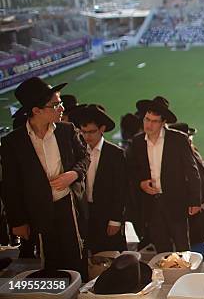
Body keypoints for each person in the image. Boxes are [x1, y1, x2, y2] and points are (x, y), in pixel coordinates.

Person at [0, 77, 88, 278]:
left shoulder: (67, 130)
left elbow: (84, 157)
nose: (62, 108)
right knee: (50, 261)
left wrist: (73, 174)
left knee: (77, 257)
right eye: (56, 104)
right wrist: (17, 221)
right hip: (38, 210)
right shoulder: (13, 142)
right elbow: (10, 185)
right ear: (36, 110)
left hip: (68, 205)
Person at [126, 96, 201, 252]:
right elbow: (131, 170)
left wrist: (195, 200)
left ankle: (183, 276)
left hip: (176, 203)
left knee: (182, 248)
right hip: (151, 205)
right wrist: (141, 183)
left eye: (154, 121)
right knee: (161, 248)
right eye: (147, 119)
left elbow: (192, 170)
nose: (149, 124)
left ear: (163, 122)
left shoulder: (178, 139)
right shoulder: (137, 142)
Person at [71, 104, 127, 253]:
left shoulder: (116, 154)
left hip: (107, 214)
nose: (87, 136)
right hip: (84, 214)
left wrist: (116, 220)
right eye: (83, 132)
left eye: (91, 132)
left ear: (102, 129)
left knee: (112, 257)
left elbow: (121, 190)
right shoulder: (76, 151)